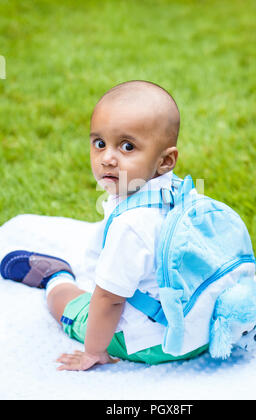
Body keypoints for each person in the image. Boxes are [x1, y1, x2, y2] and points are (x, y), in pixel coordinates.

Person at [0, 80, 208, 371]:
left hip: (158, 342)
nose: (107, 158)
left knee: (66, 303)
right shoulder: (184, 193)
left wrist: (93, 351)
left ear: (165, 160)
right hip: (203, 330)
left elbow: (109, 300)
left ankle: (56, 276)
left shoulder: (132, 226)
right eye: (99, 143)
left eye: (127, 146)